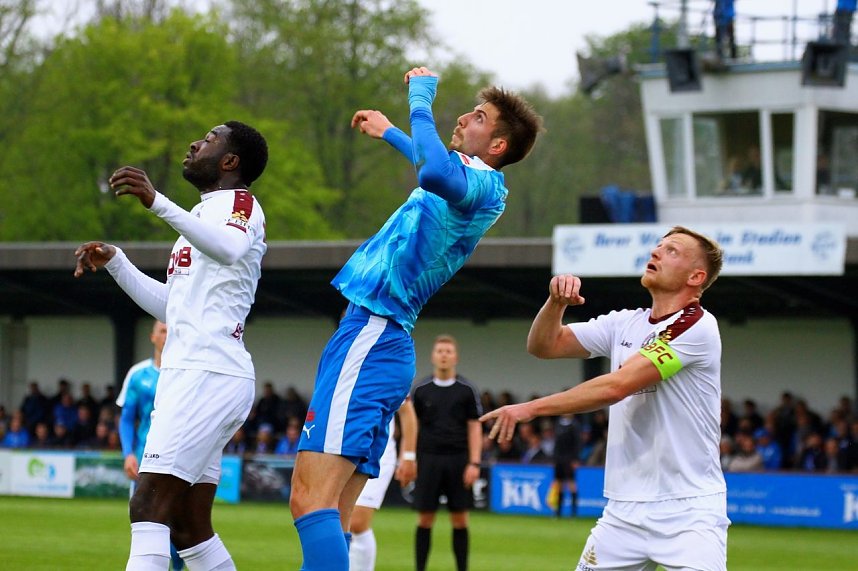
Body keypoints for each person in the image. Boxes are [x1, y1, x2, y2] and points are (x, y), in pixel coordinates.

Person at [289, 65, 541, 571]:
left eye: (479, 117)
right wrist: (393, 135)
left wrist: (421, 101)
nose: (465, 118)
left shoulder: (482, 184)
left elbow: (434, 171)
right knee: (335, 514)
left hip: (372, 333)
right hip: (381, 340)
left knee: (308, 501)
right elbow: (436, 169)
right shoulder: (473, 182)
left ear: (496, 146)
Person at [73, 119, 269, 571]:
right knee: (187, 527)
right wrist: (118, 263)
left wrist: (156, 201)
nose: (196, 142)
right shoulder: (201, 215)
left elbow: (229, 248)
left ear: (230, 161)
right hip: (201, 374)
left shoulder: (239, 202)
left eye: (211, 139)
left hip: (207, 374)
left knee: (147, 505)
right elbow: (174, 307)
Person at [481, 226, 730, 571]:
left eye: (671, 250)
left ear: (696, 276)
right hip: (623, 510)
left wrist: (530, 408)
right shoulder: (624, 323)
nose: (656, 252)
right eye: (658, 246)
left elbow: (617, 386)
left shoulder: (697, 325)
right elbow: (543, 345)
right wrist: (555, 304)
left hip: (687, 510)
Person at [411, 335, 483, 571]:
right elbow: (413, 427)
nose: (443, 355)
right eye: (439, 350)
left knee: (460, 519)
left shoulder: (467, 390)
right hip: (428, 459)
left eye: (448, 351)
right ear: (433, 356)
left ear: (456, 357)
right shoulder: (421, 390)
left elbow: (474, 427)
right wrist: (410, 458)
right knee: (425, 519)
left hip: (459, 460)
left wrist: (474, 462)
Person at [116, 320, 183, 571]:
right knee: (147, 526)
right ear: (152, 337)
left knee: (180, 528)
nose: (167, 335)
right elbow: (126, 418)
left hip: (179, 460)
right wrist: (128, 454)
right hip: (145, 463)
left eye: (170, 331)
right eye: (162, 331)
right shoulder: (138, 375)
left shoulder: (185, 372)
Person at [348, 399, 418, 571]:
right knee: (336, 520)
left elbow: (407, 411)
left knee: (357, 522)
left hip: (378, 453)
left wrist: (408, 456)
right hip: (343, 450)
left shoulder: (388, 371)